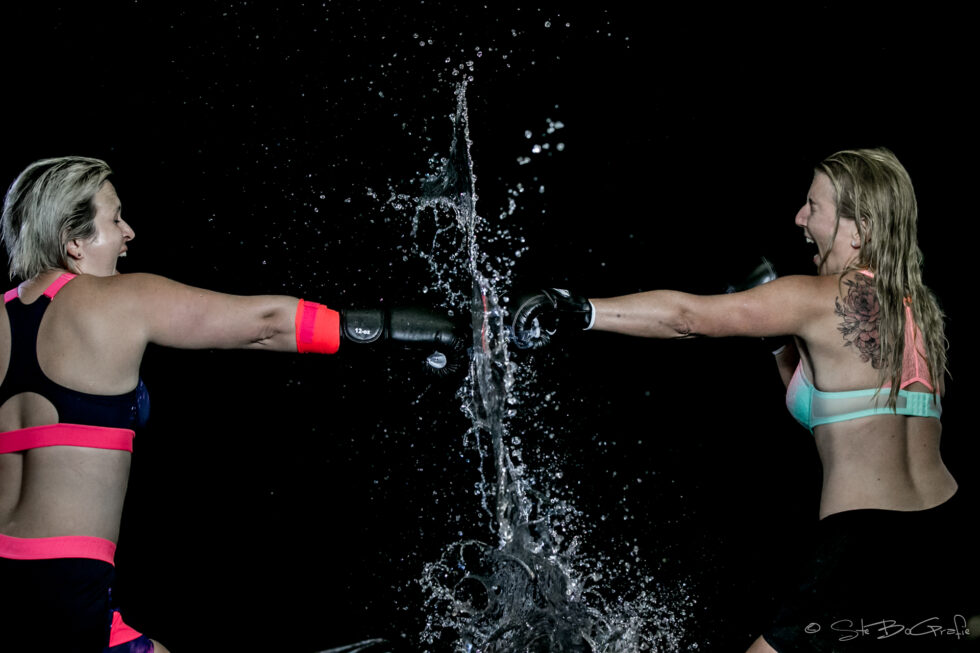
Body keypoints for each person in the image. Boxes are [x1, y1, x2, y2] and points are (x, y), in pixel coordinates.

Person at [511, 148, 974, 652]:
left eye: (813, 206)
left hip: (861, 550)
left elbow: (686, 317)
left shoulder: (815, 297)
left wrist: (578, 309)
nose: (799, 218)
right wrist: (777, 342)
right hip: (946, 543)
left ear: (858, 228)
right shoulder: (922, 315)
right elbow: (839, 417)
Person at [0, 156, 458, 652]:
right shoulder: (120, 300)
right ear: (74, 239)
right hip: (68, 586)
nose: (128, 232)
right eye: (114, 219)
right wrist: (404, 328)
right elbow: (266, 323)